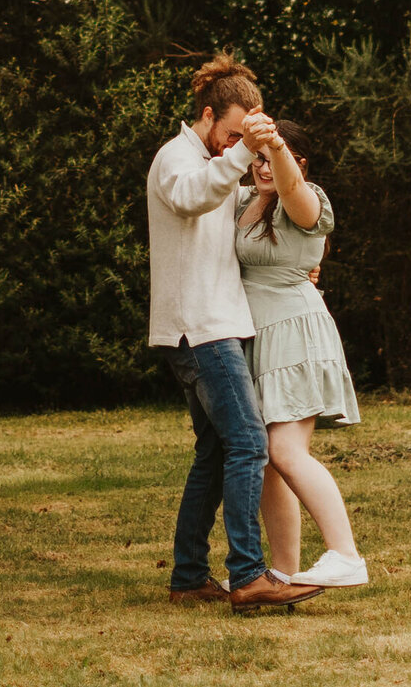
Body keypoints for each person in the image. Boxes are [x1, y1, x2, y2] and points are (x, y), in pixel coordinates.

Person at [146, 54, 323, 614]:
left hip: (219, 324)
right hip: (202, 330)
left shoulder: (215, 162)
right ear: (206, 115)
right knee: (249, 444)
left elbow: (265, 224)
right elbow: (192, 196)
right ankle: (248, 577)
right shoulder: (177, 159)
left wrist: (303, 267)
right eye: (229, 134)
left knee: (216, 452)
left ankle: (189, 576)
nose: (235, 148)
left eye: (241, 138)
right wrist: (247, 147)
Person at [236, 116, 369, 588]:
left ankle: (346, 554)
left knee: (286, 450)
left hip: (296, 333)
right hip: (259, 337)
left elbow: (291, 185)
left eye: (272, 159)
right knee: (268, 459)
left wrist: (275, 146)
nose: (263, 167)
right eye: (257, 158)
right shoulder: (245, 201)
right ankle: (284, 571)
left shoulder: (306, 200)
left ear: (297, 162)